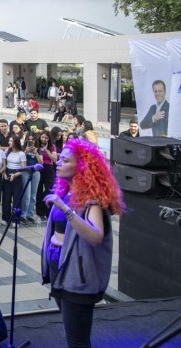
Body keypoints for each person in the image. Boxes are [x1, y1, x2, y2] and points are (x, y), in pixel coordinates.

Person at [41, 139, 124, 348]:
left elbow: (96, 237)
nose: (58, 163)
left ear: (81, 166)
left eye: (65, 160)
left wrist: (65, 209)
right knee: (71, 331)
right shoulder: (65, 191)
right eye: (59, 159)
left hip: (78, 276)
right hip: (58, 267)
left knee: (76, 339)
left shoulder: (91, 201)